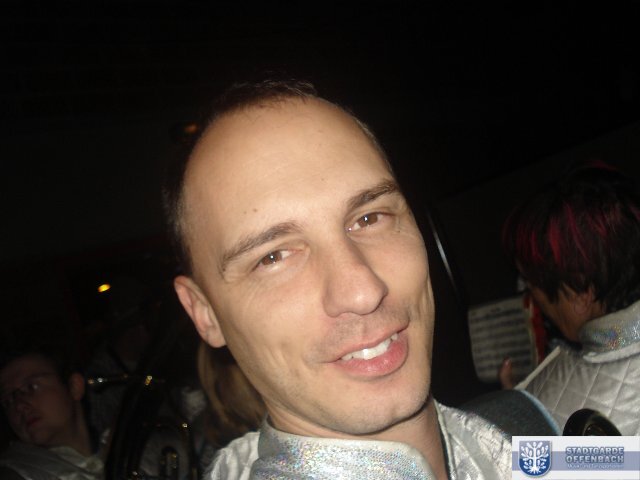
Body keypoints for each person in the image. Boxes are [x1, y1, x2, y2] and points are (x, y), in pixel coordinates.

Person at [163, 78, 513, 479]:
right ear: (204, 312)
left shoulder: (548, 445)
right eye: (273, 257)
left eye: (369, 218)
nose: (363, 292)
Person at [502, 161, 640, 435]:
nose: (532, 299)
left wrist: (519, 421)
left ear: (579, 293)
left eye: (531, 284)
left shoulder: (548, 409)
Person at [0, 343, 104, 480]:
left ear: (74, 387)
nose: (19, 406)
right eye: (9, 400)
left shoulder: (122, 444)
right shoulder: (15, 471)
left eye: (31, 387)